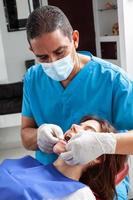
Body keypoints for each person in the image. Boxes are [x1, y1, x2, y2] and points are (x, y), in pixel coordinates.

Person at [21, 5, 133, 199]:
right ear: (32, 50)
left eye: (60, 52)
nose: (53, 61)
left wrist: (105, 143)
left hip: (100, 187)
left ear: (74, 39)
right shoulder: (33, 79)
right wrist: (38, 136)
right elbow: (25, 134)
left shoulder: (114, 81)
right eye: (43, 57)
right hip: (46, 182)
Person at [0, 117, 127, 200]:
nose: (73, 126)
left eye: (87, 130)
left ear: (97, 157)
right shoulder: (26, 163)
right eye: (79, 124)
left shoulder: (80, 194)